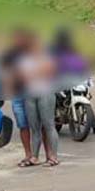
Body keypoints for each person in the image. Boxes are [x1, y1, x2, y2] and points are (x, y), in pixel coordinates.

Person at [50, 29, 95, 134]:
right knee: (51, 96)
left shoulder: (73, 50)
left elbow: (80, 62)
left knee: (84, 97)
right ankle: (49, 120)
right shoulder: (53, 50)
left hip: (71, 79)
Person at [19, 35, 60, 166]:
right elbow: (23, 77)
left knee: (49, 125)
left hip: (45, 93)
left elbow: (49, 72)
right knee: (34, 127)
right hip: (30, 94)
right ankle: (34, 156)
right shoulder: (25, 60)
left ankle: (53, 156)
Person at [0, 29, 35, 166]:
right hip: (17, 94)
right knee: (23, 124)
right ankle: (28, 154)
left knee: (39, 125)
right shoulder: (8, 54)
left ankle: (43, 154)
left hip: (33, 93)